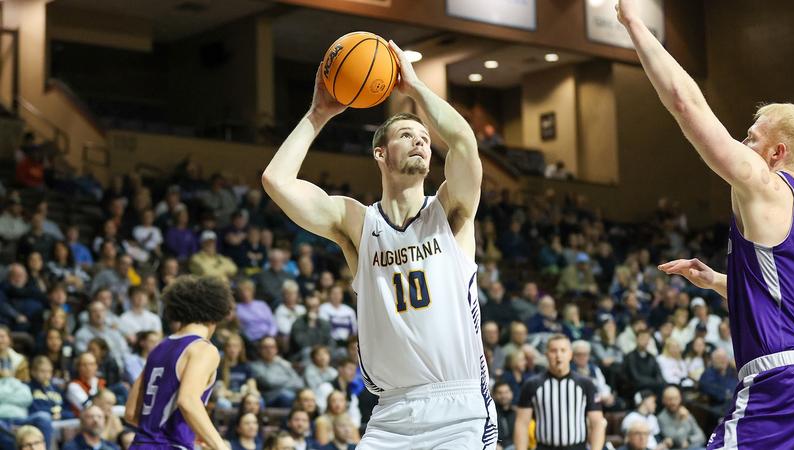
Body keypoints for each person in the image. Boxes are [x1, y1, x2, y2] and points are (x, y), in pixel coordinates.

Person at [262, 40, 496, 448]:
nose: (422, 142)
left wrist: (416, 87)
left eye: (425, 137)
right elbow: (276, 181)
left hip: (458, 407)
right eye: (408, 135)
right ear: (380, 153)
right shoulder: (356, 222)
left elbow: (463, 142)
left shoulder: (450, 210)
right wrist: (318, 115)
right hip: (390, 412)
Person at [619, 0, 794, 447]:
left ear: (776, 153)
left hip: (779, 387)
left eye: (752, 138)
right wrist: (724, 282)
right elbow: (788, 297)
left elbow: (686, 103)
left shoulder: (768, 186)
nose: (742, 142)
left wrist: (633, 22)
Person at [124, 275, 232, 450]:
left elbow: (131, 413)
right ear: (216, 312)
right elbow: (188, 400)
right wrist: (221, 446)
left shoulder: (159, 348)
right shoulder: (202, 349)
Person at [514, 334, 605, 450]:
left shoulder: (586, 384)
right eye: (553, 351)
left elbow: (597, 423)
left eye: (563, 350)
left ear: (570, 354)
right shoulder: (532, 384)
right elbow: (521, 423)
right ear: (546, 354)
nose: (558, 355)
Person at [657, 386, 705, 450]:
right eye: (670, 399)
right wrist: (682, 420)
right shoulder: (662, 418)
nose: (673, 402)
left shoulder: (685, 412)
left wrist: (689, 440)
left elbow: (702, 436)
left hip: (695, 447)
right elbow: (679, 441)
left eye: (676, 398)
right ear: (663, 400)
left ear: (680, 398)